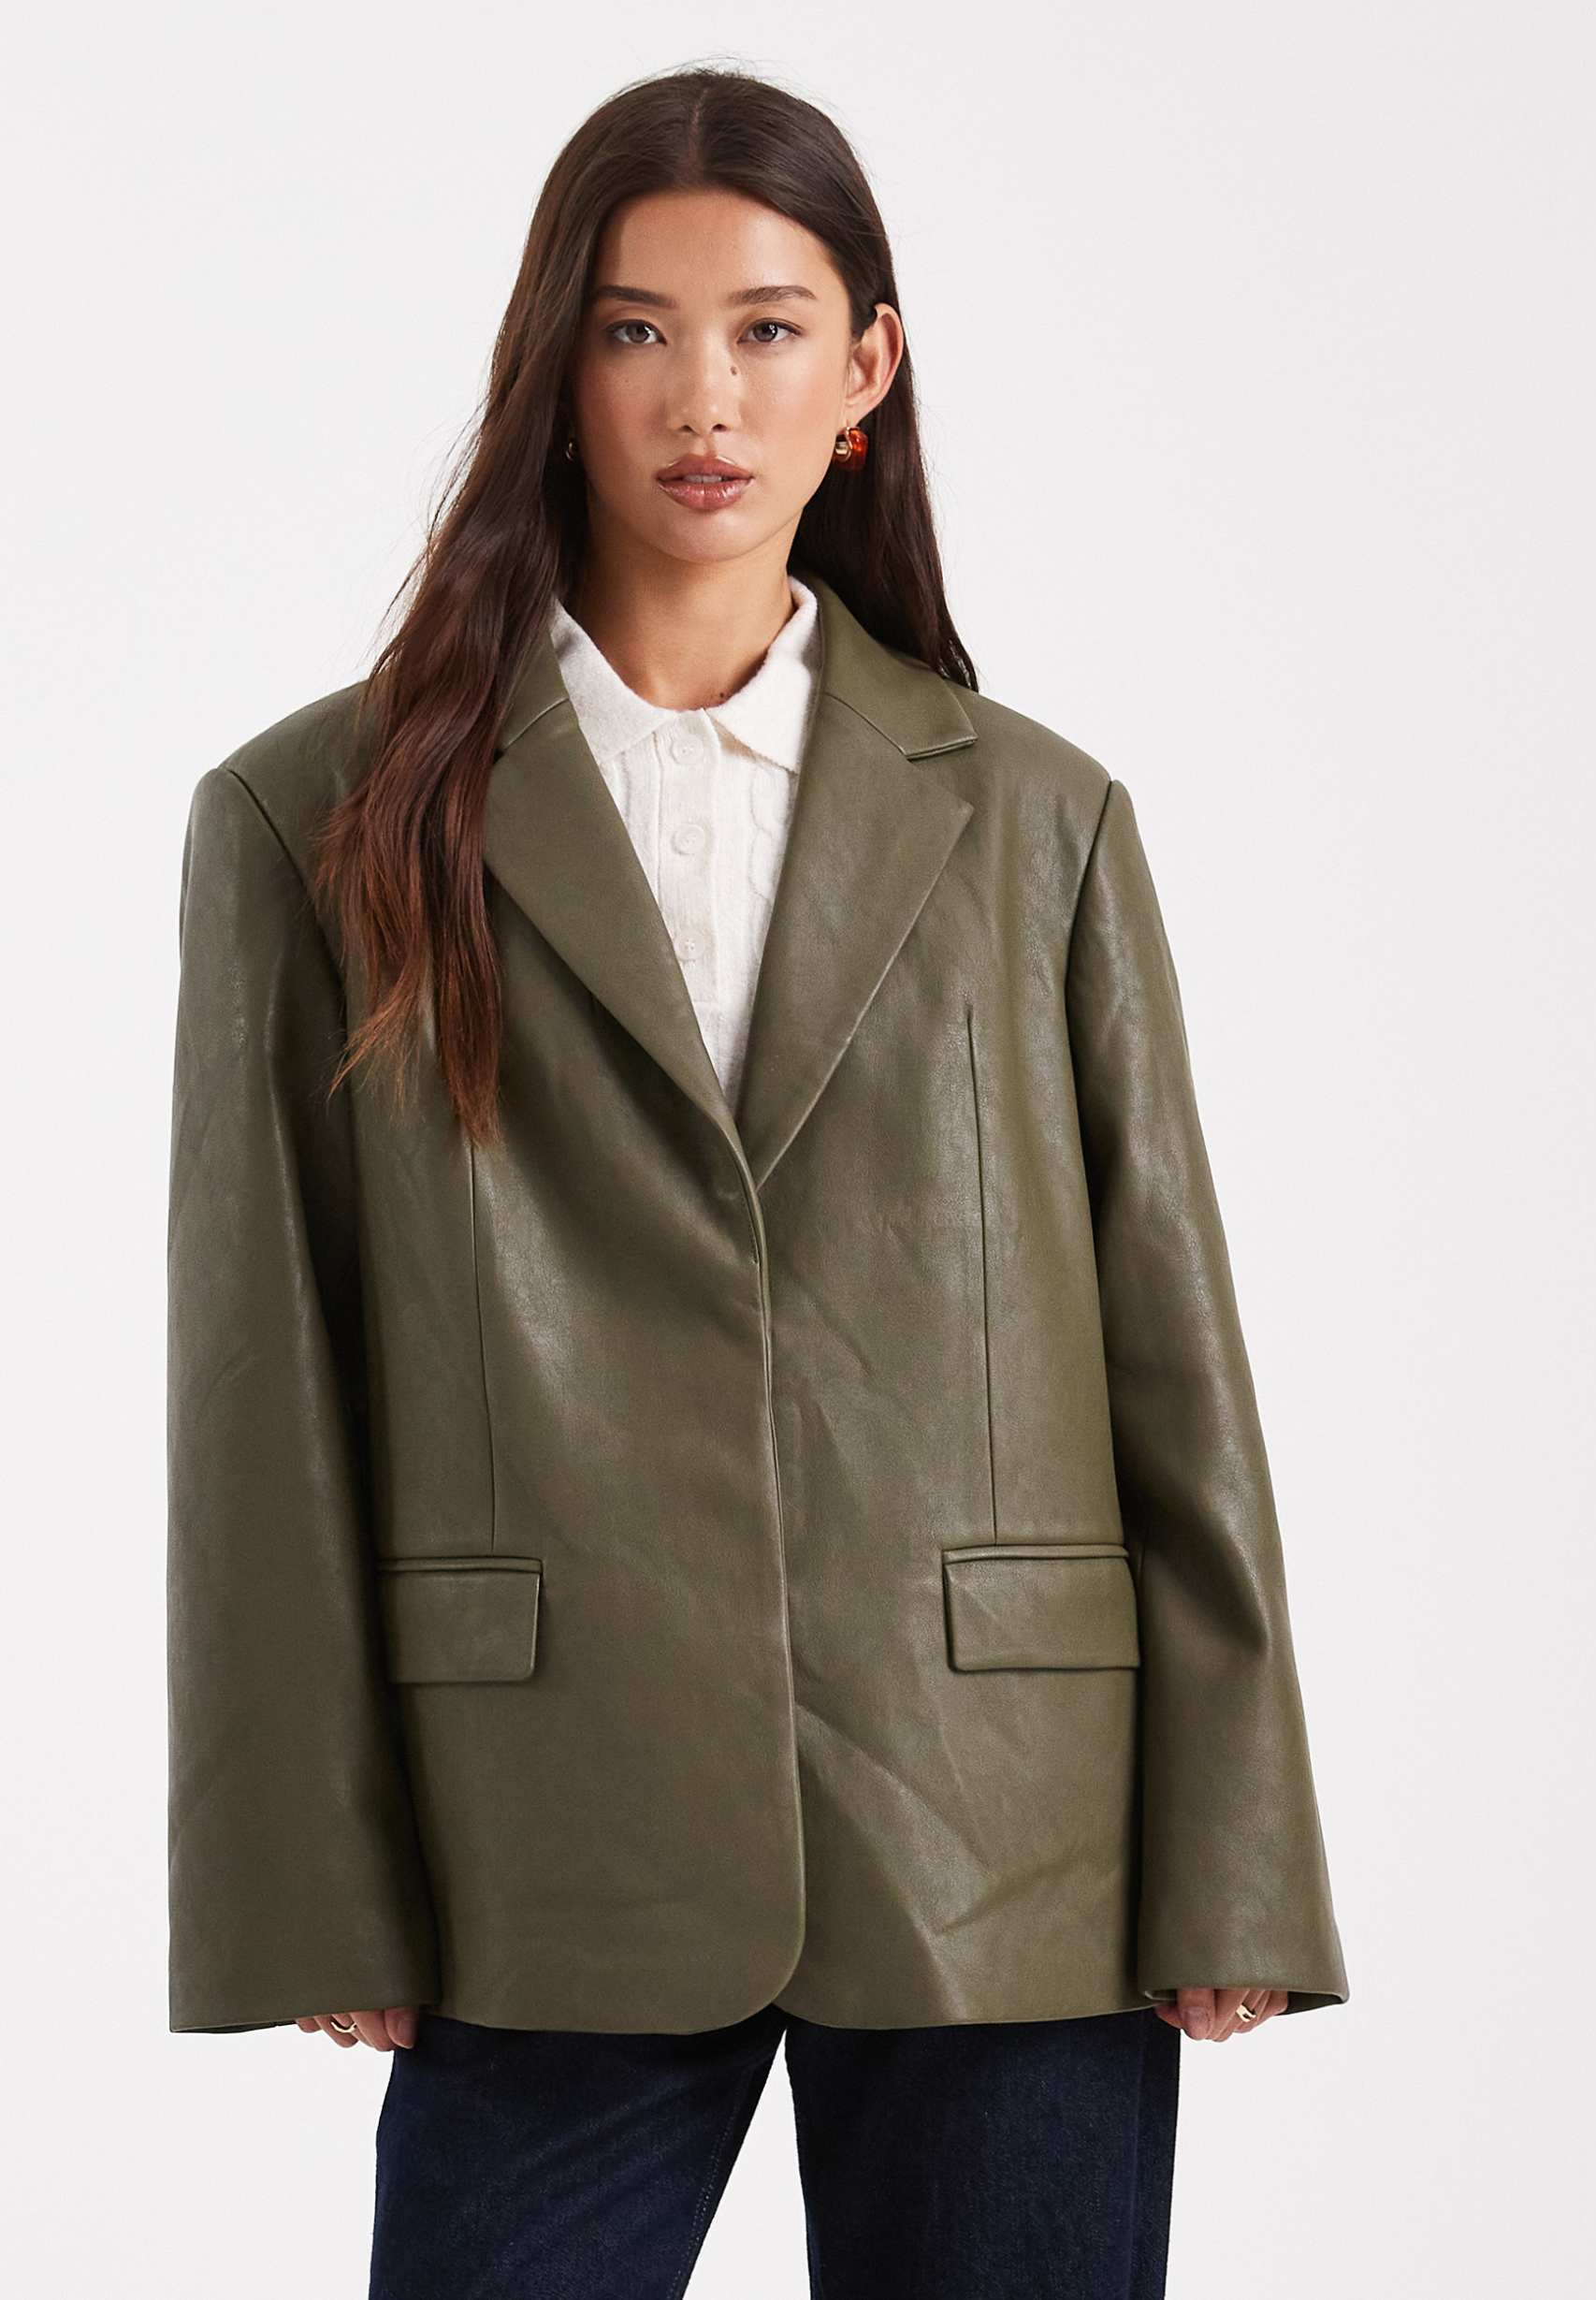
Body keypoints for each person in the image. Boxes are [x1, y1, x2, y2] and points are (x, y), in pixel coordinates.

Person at [165, 65, 1349, 2300]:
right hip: (544, 1825)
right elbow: (264, 1387)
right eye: (634, 330)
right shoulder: (317, 818)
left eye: (769, 329)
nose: (703, 397)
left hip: (1005, 1818)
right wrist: (310, 1878)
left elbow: (1175, 1362)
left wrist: (1240, 1854)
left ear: (866, 371)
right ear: (553, 368)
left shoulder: (1041, 819)